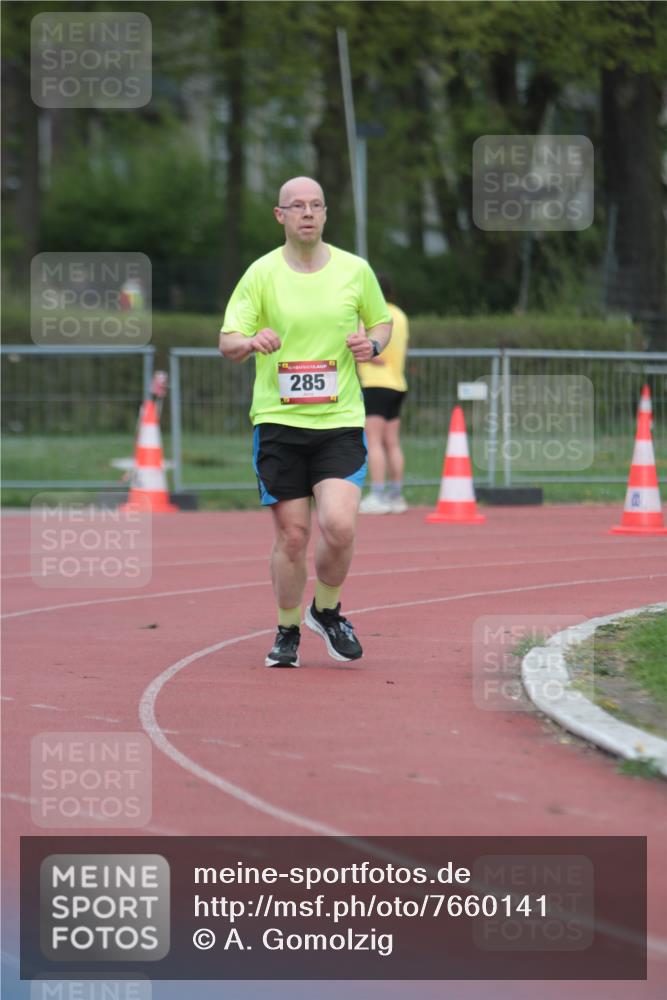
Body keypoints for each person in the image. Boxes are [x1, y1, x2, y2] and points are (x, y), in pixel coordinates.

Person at [218, 176, 392, 668]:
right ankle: (287, 628)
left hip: (339, 419)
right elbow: (227, 340)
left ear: (326, 213)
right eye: (297, 206)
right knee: (293, 537)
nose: (307, 213)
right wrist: (251, 342)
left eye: (316, 204)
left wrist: (372, 345)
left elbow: (382, 322)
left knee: (338, 525)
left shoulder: (355, 271)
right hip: (279, 422)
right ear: (281, 216)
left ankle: (328, 610)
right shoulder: (261, 274)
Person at [357, 275, 409, 513]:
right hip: (397, 383)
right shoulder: (400, 315)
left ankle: (377, 495)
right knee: (392, 442)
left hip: (376, 383)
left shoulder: (370, 317)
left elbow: (366, 348)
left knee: (374, 441)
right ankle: (396, 495)